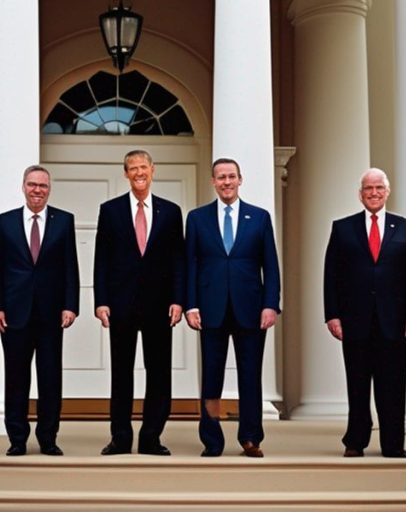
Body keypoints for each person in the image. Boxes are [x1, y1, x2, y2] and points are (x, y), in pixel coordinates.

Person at [323, 167, 406, 458]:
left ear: (387, 192)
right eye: (368, 188)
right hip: (355, 321)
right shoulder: (342, 228)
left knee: (393, 385)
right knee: (357, 384)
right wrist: (332, 314)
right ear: (360, 194)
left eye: (379, 188)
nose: (374, 193)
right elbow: (332, 275)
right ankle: (355, 441)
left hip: (396, 323)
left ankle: (393, 444)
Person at [184, 158, 280, 458]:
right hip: (210, 309)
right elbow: (190, 265)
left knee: (250, 375)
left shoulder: (260, 217)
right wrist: (191, 305)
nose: (226, 182)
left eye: (231, 177)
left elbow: (271, 267)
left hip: (251, 309)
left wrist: (271, 305)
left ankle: (251, 437)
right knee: (211, 377)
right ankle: (212, 439)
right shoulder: (197, 218)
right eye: (221, 177)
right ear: (213, 181)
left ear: (240, 180)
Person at [93, 149, 185, 456]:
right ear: (126, 174)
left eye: (143, 167)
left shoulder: (171, 212)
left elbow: (177, 260)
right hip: (120, 304)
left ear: (152, 170)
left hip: (160, 306)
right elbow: (101, 260)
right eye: (132, 168)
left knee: (159, 373)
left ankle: (151, 438)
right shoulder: (110, 210)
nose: (138, 172)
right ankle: (120, 438)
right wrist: (101, 301)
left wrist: (178, 299)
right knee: (121, 373)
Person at [0, 165, 80, 456]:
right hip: (14, 313)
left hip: (51, 314)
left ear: (49, 188)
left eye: (42, 185)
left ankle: (48, 438)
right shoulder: (4, 222)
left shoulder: (64, 221)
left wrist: (70, 305)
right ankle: (17, 438)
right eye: (32, 184)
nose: (37, 190)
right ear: (23, 187)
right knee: (16, 378)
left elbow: (70, 267)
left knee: (50, 378)